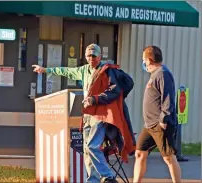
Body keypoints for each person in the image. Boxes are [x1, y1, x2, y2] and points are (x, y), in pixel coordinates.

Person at [32, 43, 136, 183]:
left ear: (100, 56)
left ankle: (108, 176)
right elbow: (66, 71)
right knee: (87, 149)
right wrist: (45, 70)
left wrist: (95, 99)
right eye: (89, 56)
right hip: (88, 114)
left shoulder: (107, 71)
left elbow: (115, 89)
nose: (91, 58)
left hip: (101, 114)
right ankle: (93, 179)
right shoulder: (83, 70)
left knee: (92, 146)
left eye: (94, 55)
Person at [133, 45, 181, 183]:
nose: (143, 63)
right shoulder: (154, 75)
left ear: (149, 60)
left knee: (168, 157)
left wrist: (163, 119)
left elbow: (168, 98)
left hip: (160, 124)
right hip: (149, 125)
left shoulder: (162, 73)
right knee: (140, 153)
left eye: (143, 60)